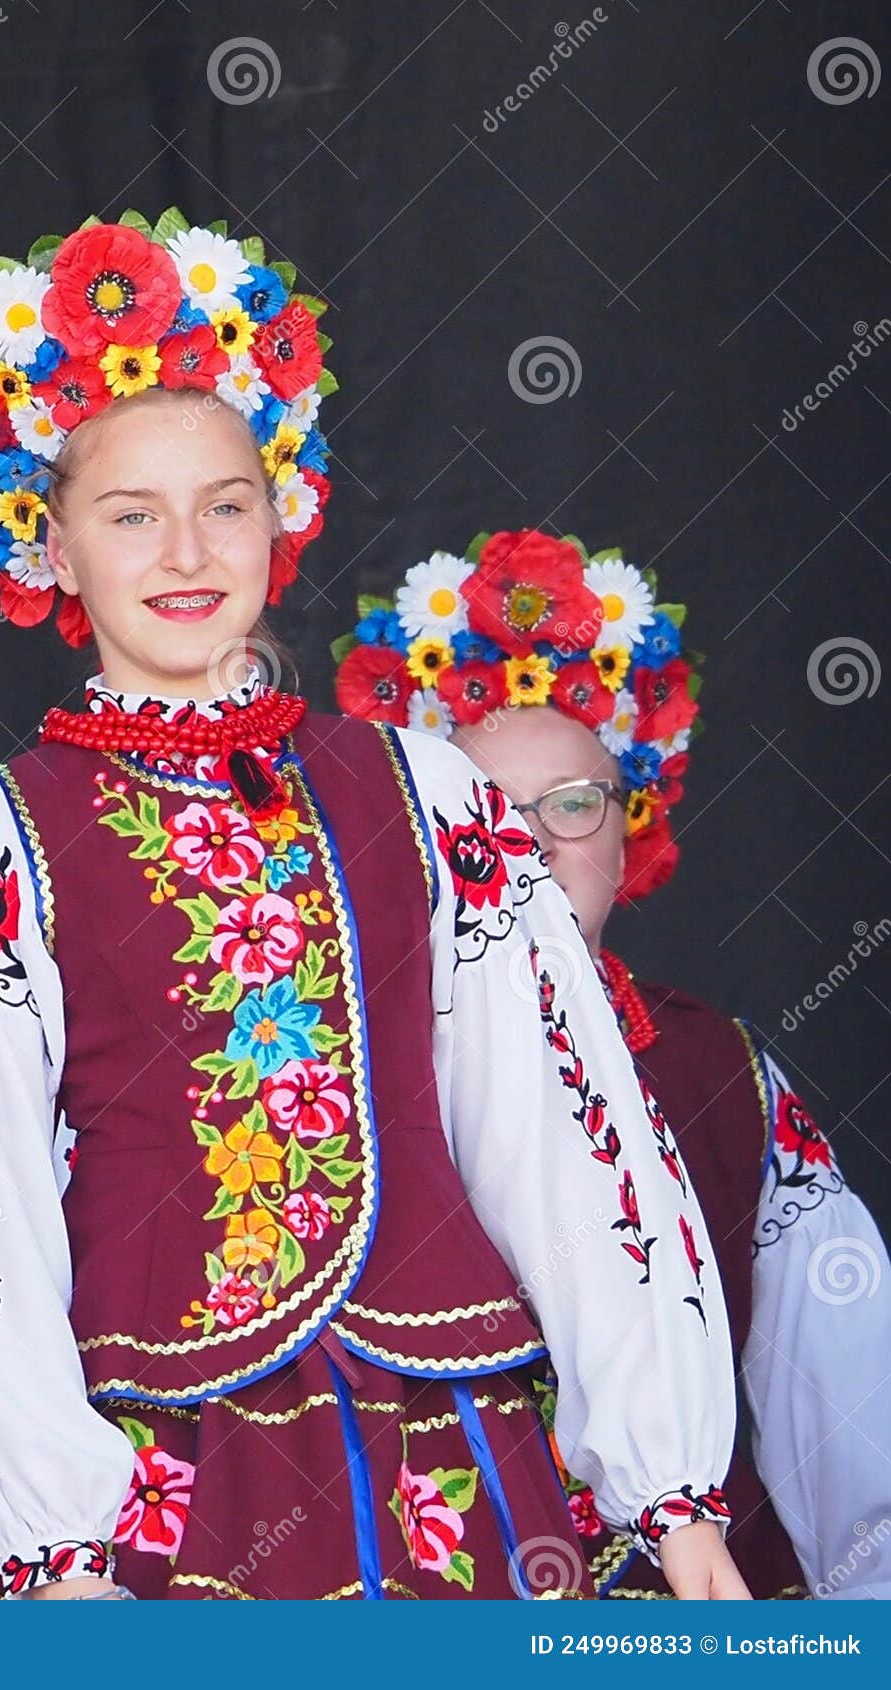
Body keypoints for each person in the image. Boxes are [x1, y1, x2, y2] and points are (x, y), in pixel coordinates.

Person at [0, 208, 750, 1599]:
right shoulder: (0, 832)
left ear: (281, 516)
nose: (186, 549)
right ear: (50, 544)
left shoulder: (423, 787)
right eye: (131, 512)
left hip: (447, 1433)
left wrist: (672, 1486)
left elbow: (555, 1119)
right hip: (165, 1459)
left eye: (225, 502)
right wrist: (53, 1542)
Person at [336, 527, 891, 1599]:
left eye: (571, 804)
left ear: (627, 830)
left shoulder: (719, 1071)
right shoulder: (348, 1074)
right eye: (486, 811)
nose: (531, 842)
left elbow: (840, 1394)